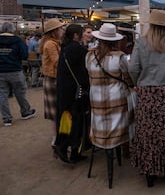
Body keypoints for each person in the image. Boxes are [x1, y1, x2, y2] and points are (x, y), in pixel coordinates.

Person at [128, 10, 165, 188]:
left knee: (148, 133)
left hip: (147, 93)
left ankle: (150, 174)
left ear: (150, 25)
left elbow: (133, 68)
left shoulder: (141, 42)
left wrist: (138, 82)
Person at [85, 23, 133, 159]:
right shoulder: (119, 57)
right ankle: (125, 148)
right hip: (116, 102)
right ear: (116, 40)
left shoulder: (89, 56)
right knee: (131, 109)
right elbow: (129, 78)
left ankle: (103, 142)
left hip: (96, 101)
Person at [54, 24, 90, 164]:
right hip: (76, 91)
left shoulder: (65, 47)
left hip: (65, 90)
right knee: (76, 121)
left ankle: (73, 150)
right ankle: (66, 148)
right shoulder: (78, 49)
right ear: (76, 35)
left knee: (67, 120)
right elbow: (84, 70)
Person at [0, 22, 36, 126]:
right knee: (20, 92)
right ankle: (25, 112)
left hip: (1, 71)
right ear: (12, 29)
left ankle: (7, 118)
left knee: (2, 94)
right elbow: (25, 55)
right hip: (15, 70)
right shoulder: (18, 40)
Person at [39, 18, 65, 147]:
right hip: (52, 79)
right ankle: (55, 138)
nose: (62, 30)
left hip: (53, 79)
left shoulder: (54, 42)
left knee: (56, 110)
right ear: (54, 31)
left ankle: (57, 136)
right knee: (55, 111)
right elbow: (57, 62)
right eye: (60, 28)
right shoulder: (50, 44)